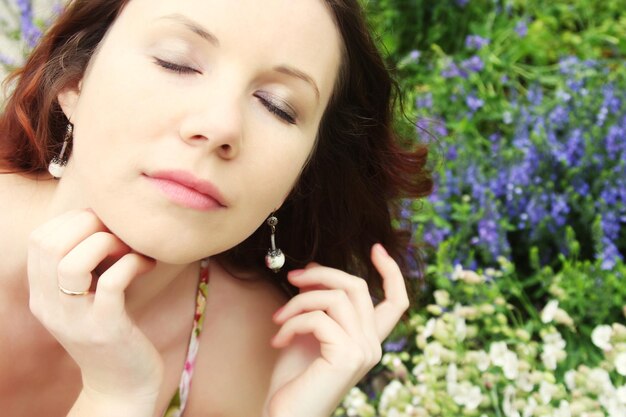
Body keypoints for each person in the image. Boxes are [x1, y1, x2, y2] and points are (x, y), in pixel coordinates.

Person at [0, 0, 433, 416]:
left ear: (300, 173)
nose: (220, 125)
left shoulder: (265, 348)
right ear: (73, 81)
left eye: (278, 107)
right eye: (176, 63)